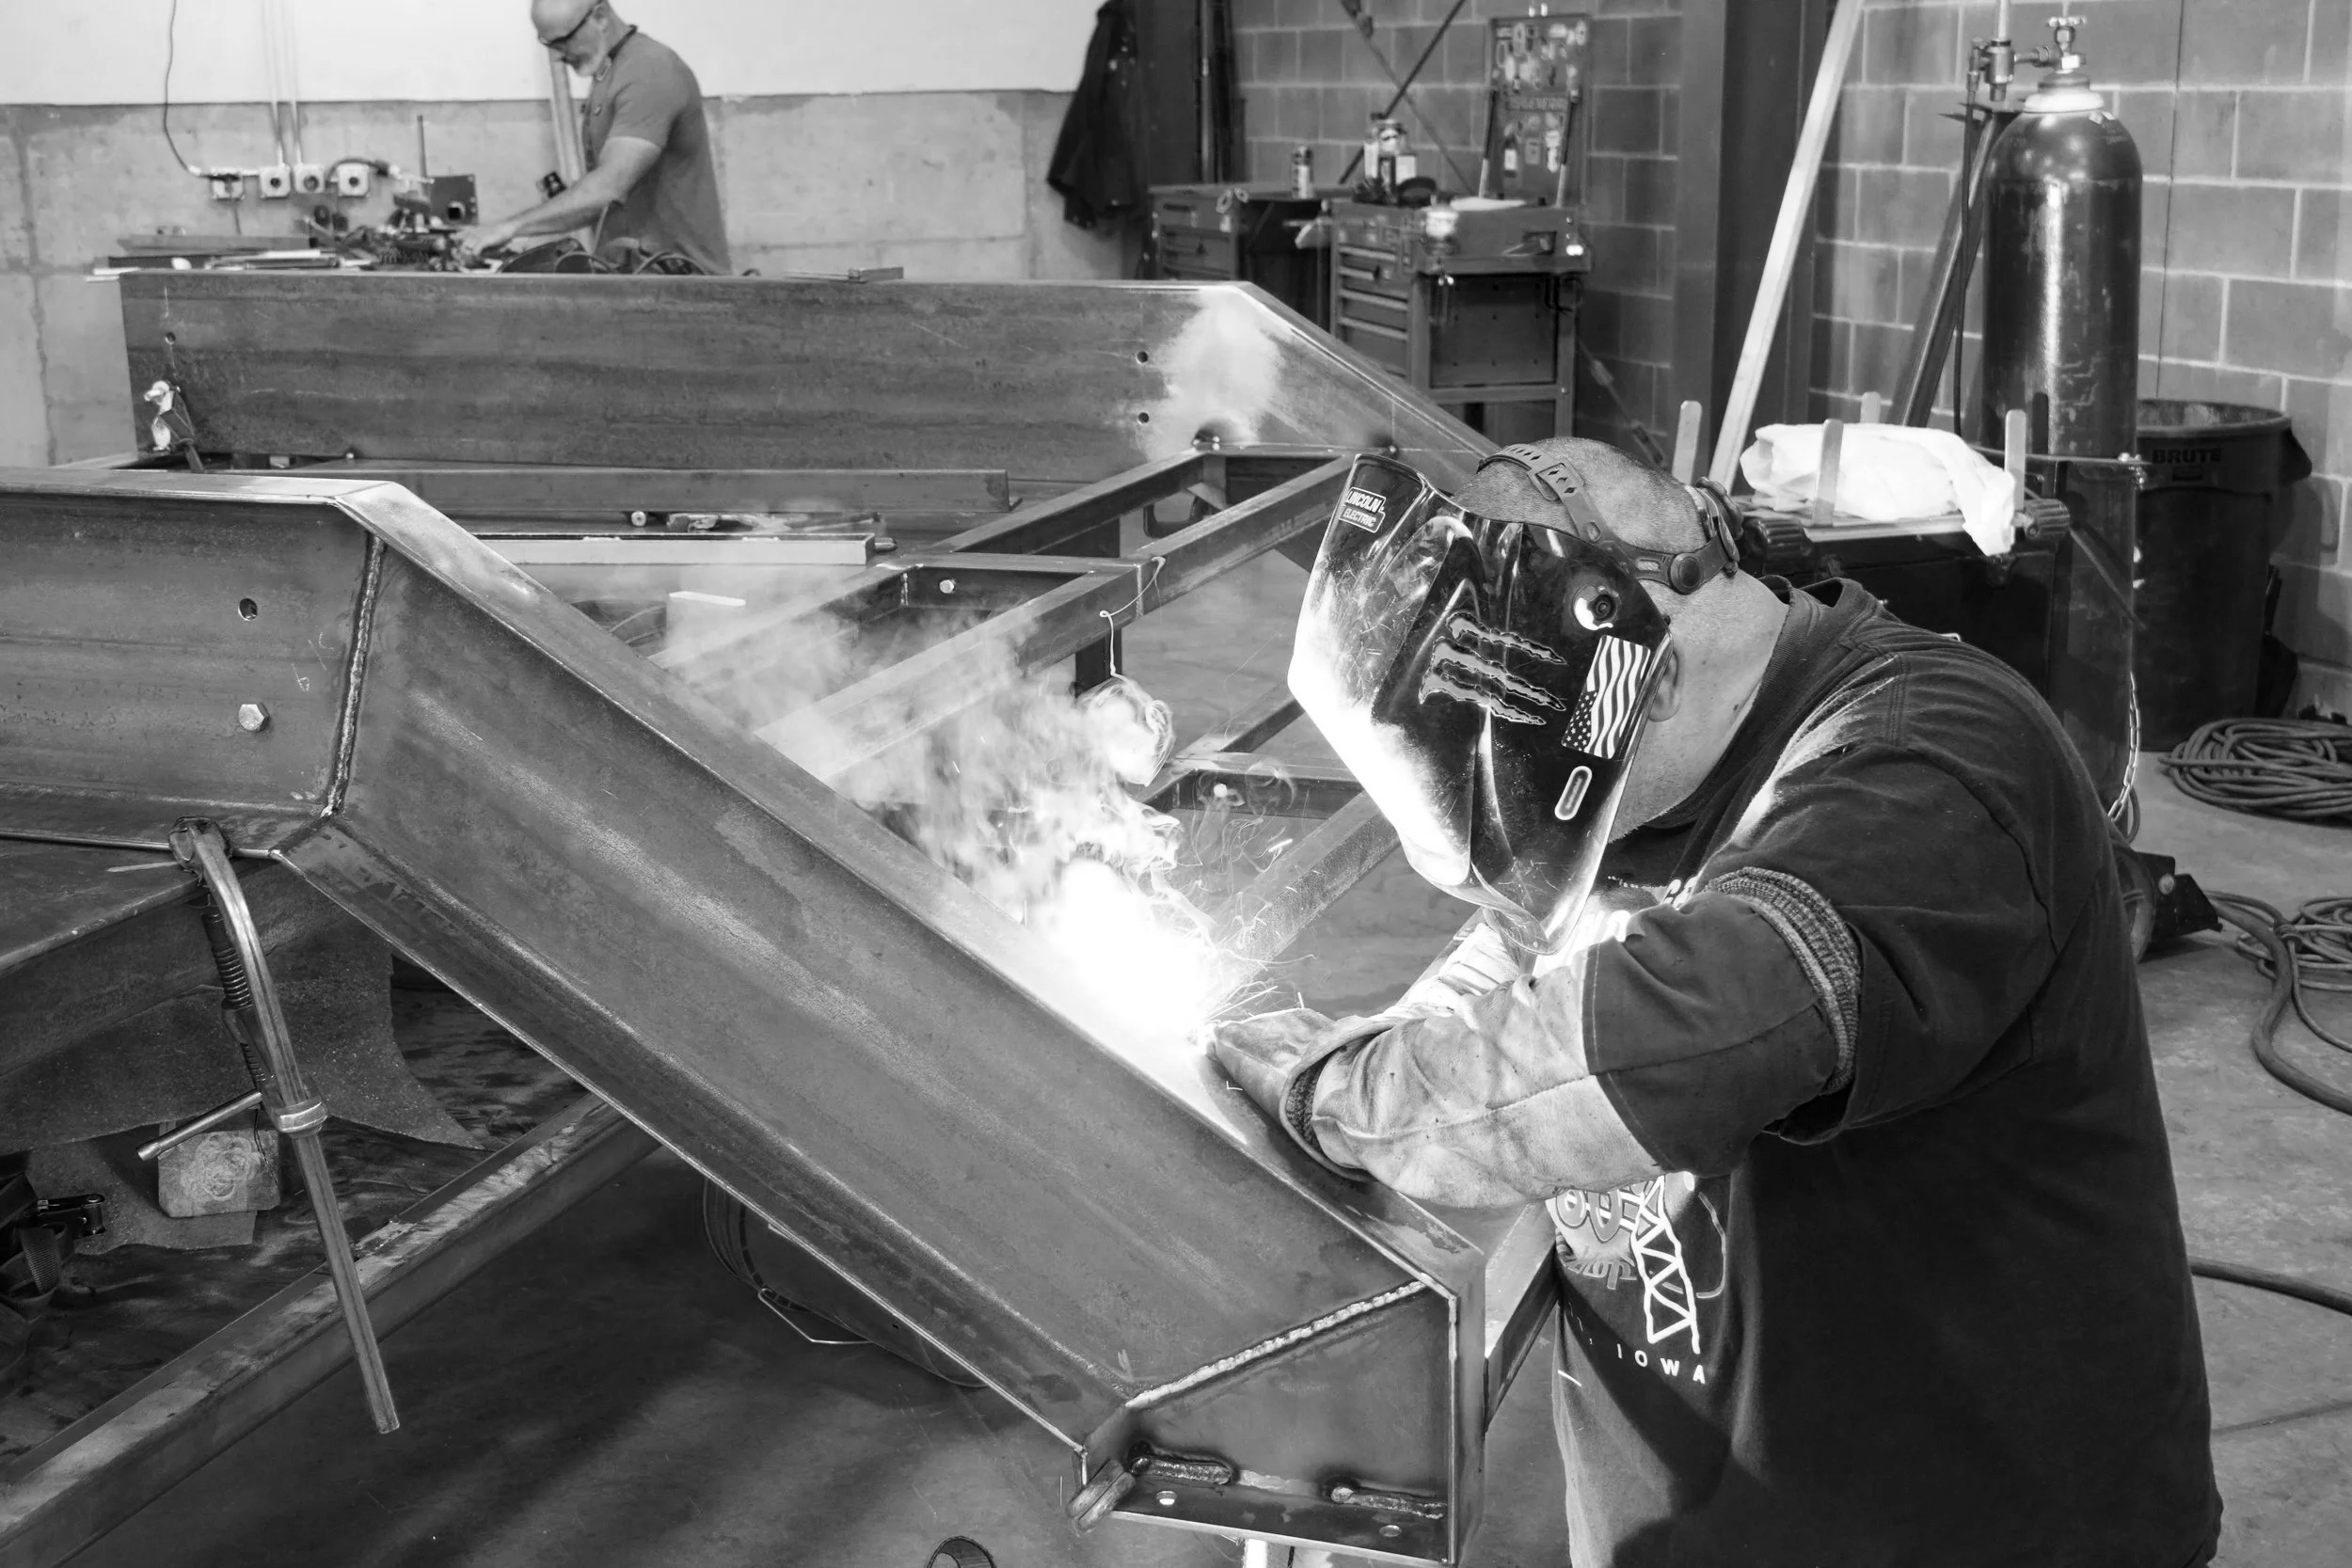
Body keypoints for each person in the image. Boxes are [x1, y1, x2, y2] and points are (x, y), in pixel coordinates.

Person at [1211, 437, 2219, 1566]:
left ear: (1655, 676)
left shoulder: (1929, 756)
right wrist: (1384, 1050)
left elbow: (1705, 1028)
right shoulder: (1641, 787)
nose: (1585, 848)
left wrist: (1351, 1096)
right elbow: (1517, 952)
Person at [456, 0, 730, 275]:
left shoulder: (649, 71)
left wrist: (510, 227)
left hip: (681, 284)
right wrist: (527, 232)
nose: (558, 55)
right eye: (549, 44)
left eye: (564, 40)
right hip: (636, 279)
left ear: (599, 16)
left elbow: (609, 188)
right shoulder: (612, 72)